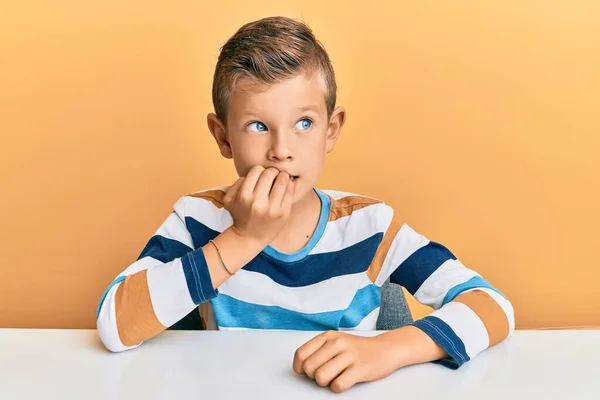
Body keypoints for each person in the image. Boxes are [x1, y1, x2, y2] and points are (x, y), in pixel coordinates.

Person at [97, 16, 514, 393]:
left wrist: (388, 350)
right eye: (258, 126)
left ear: (331, 130)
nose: (282, 150)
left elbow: (492, 305)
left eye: (304, 123)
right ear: (223, 137)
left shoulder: (369, 226)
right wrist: (244, 237)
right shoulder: (196, 220)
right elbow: (115, 325)